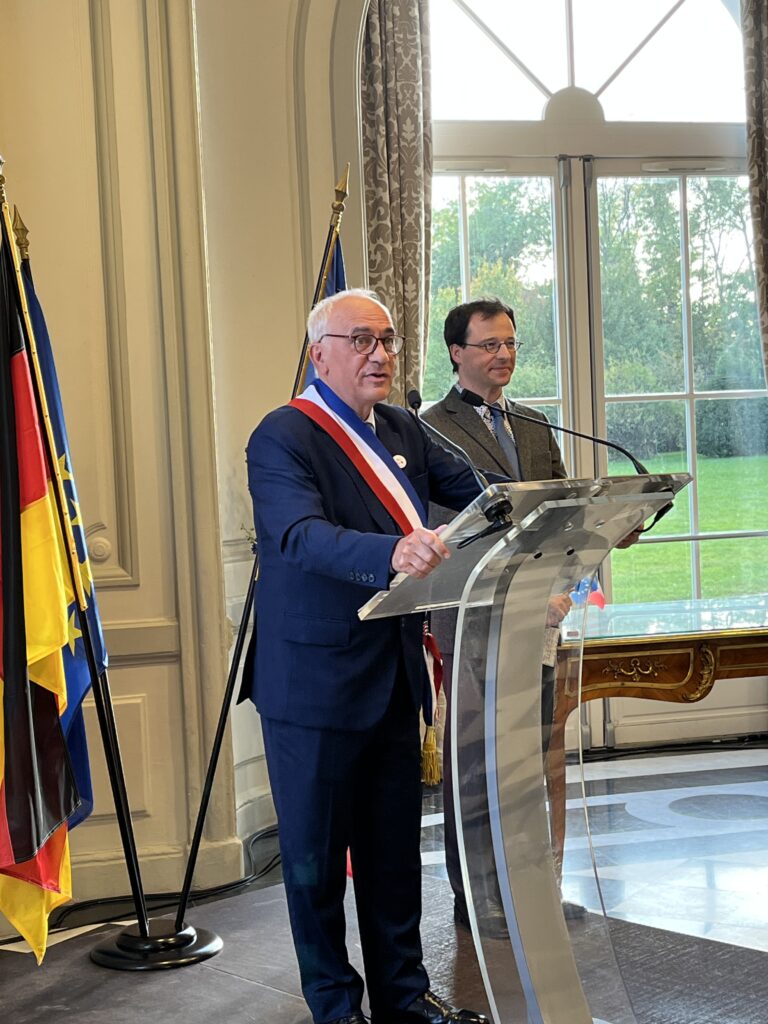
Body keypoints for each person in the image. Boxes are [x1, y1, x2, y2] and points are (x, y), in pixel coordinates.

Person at [243, 289, 490, 1024]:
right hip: (312, 684)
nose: (379, 354)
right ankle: (335, 1009)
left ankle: (404, 1001)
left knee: (392, 858)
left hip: (391, 677)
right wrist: (392, 552)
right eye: (360, 340)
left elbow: (482, 494)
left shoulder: (404, 427)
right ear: (319, 354)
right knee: (316, 865)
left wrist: (552, 513)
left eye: (386, 340)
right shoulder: (283, 435)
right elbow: (299, 535)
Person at [422, 297, 571, 938]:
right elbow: (442, 531)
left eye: (510, 343)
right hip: (473, 617)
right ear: (457, 353)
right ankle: (478, 896)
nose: (504, 354)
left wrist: (559, 579)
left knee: (527, 759)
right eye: (489, 345)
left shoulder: (533, 424)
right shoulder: (429, 427)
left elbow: (562, 509)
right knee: (477, 764)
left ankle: (528, 891)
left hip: (537, 617)